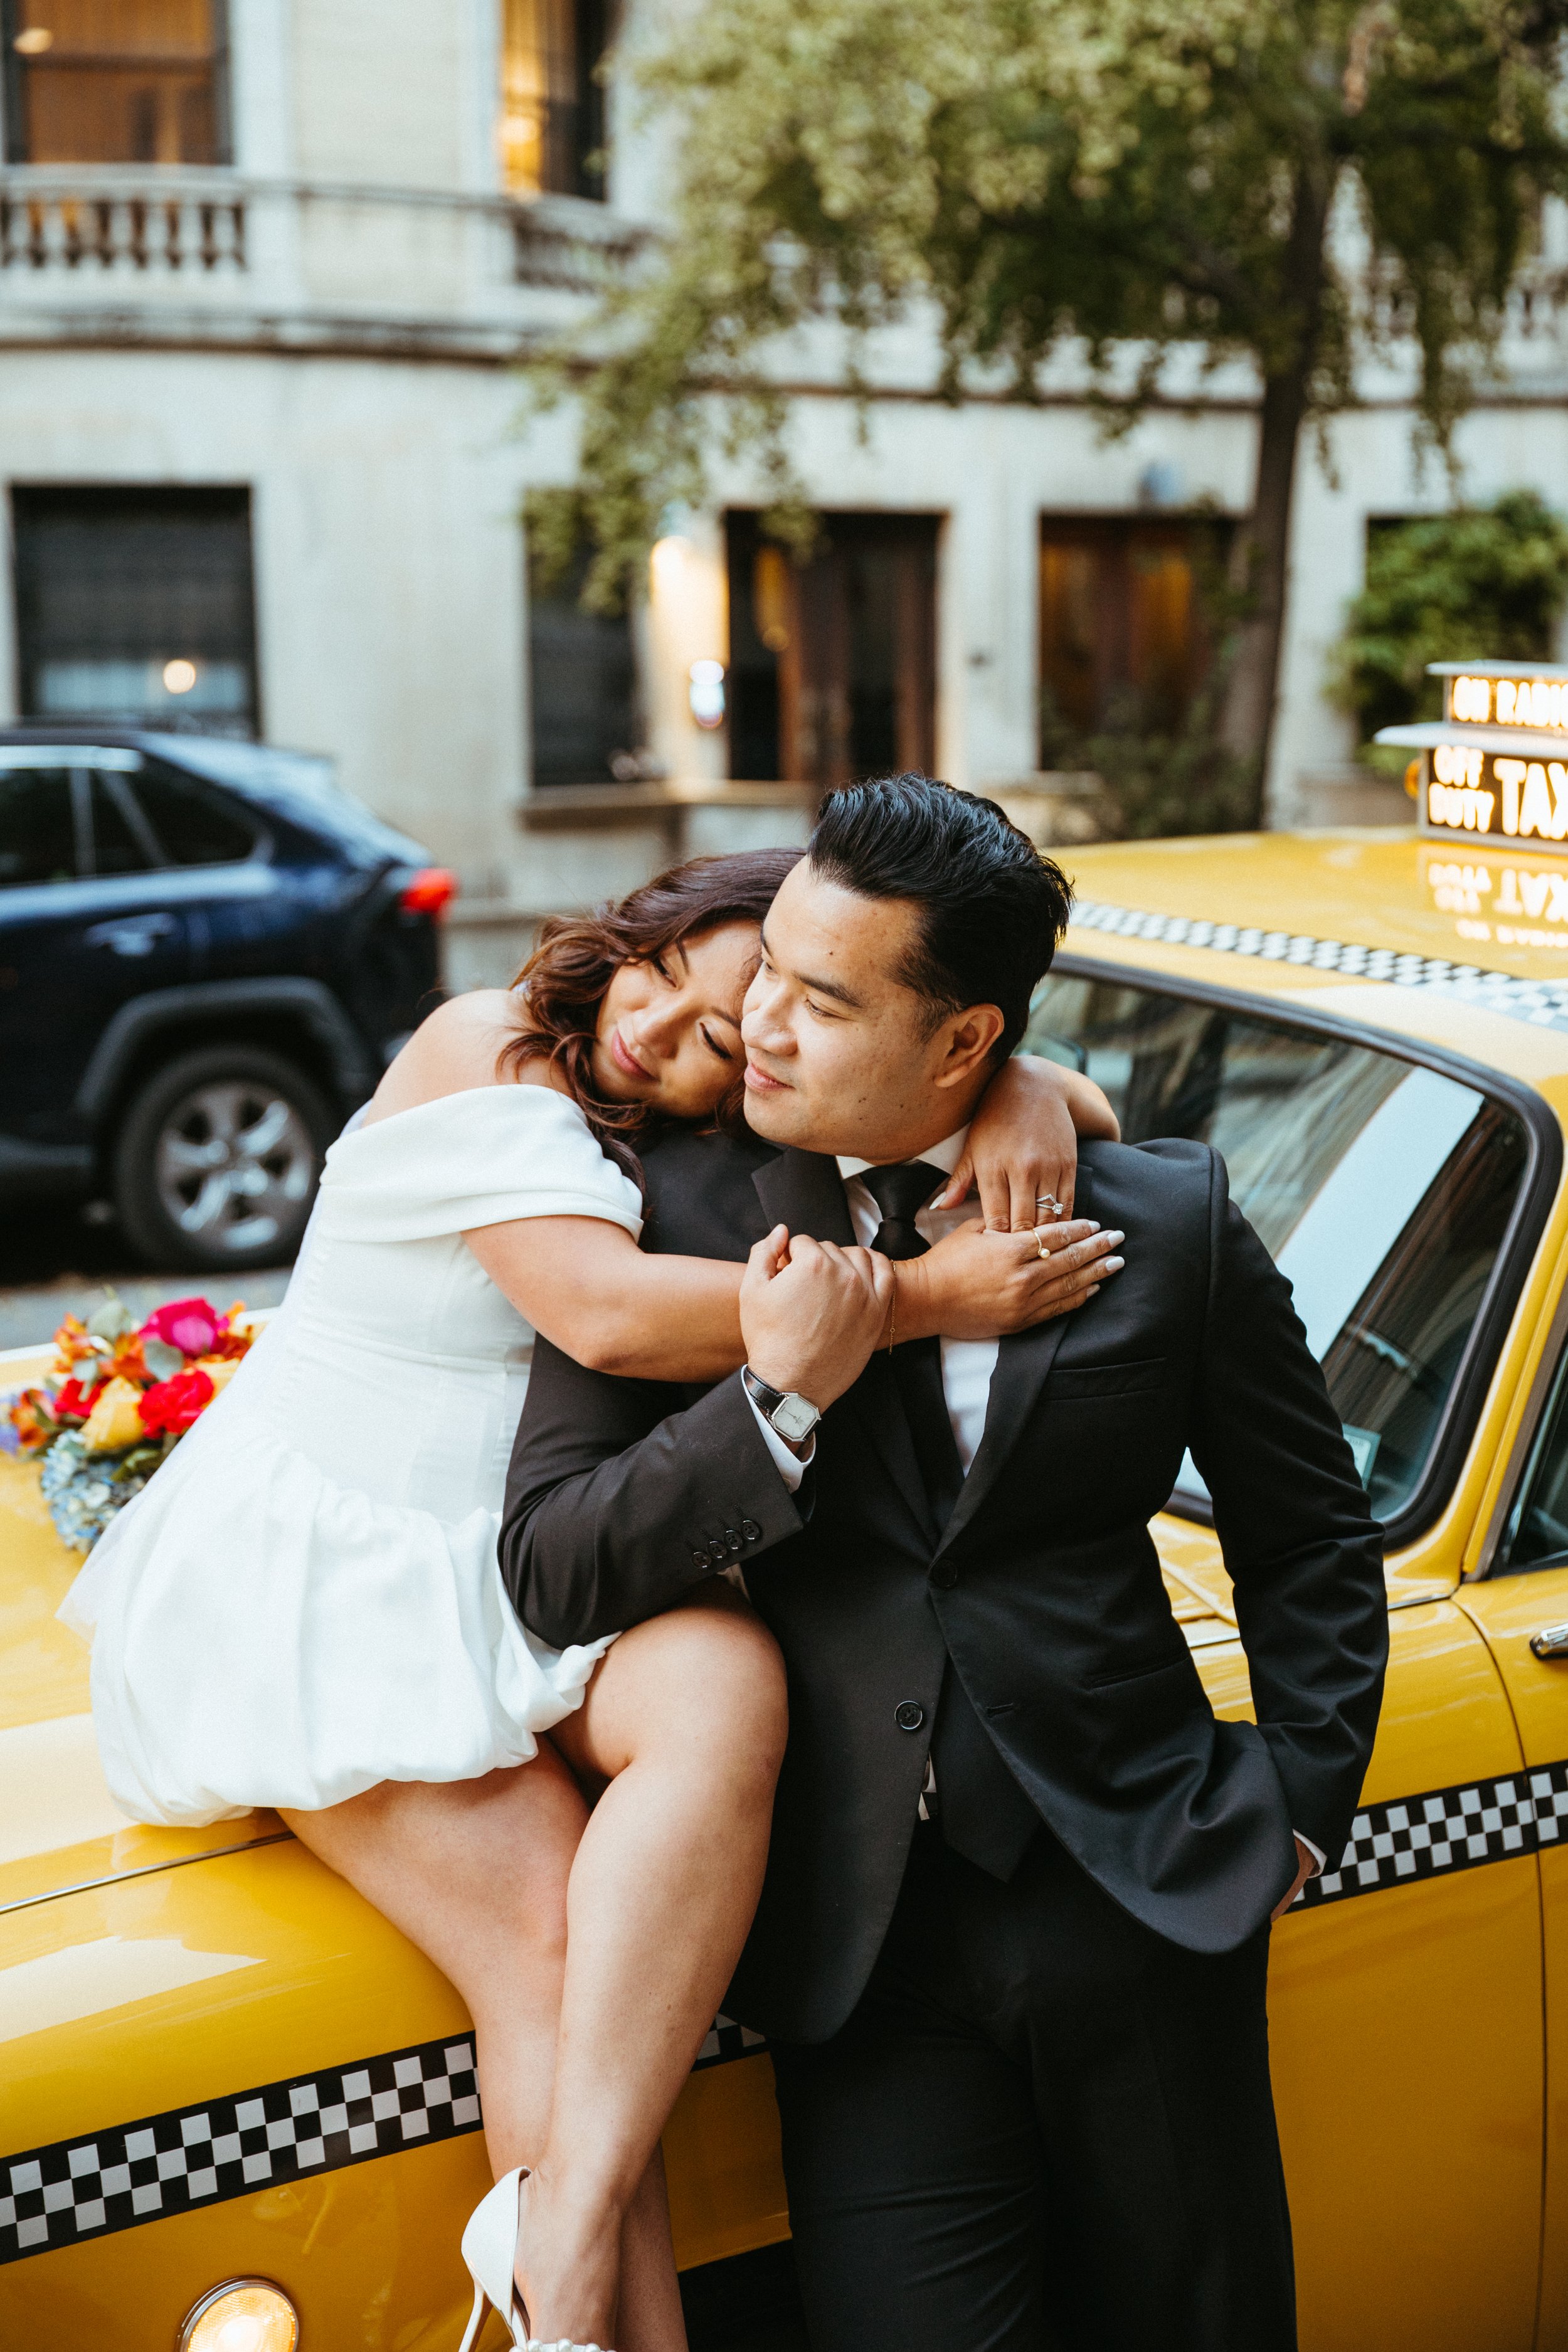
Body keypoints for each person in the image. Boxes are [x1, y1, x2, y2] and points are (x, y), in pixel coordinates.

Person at [58, 845, 1125, 2352]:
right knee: (547, 1953)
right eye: (658, 970)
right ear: (637, 929)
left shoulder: (693, 1130)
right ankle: (571, 2311)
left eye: (718, 1034)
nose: (651, 1028)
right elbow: (605, 1317)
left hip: (515, 1565)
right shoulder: (483, 1044)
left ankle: (555, 2243)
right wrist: (919, 1297)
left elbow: (950, 1083)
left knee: (722, 1684)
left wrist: (1022, 1090)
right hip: (328, 1570)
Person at [501, 778, 1389, 2352]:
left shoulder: (1162, 1219)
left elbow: (1305, 1529)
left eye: (824, 1001)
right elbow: (553, 1566)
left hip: (1143, 1892)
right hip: (860, 1948)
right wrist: (776, 1397)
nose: (762, 1022)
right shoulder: (657, 1217)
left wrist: (1298, 1810)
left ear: (966, 1040)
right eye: (769, 969)